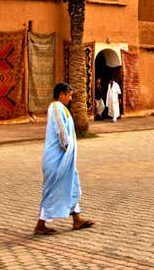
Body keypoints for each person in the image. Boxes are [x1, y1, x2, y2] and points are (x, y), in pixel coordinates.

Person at [34, 82, 94, 235]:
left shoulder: (62, 108)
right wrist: (66, 147)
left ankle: (77, 219)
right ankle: (40, 225)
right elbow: (61, 130)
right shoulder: (56, 107)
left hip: (65, 160)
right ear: (61, 94)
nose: (70, 98)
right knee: (52, 190)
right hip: (56, 159)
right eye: (69, 95)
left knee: (71, 186)